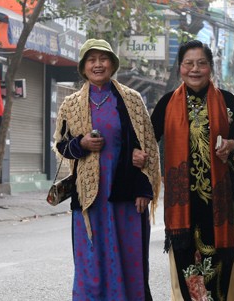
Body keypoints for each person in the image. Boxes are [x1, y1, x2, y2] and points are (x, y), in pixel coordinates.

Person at [53, 38, 161, 301]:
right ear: (83, 67)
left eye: (103, 59)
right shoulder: (70, 105)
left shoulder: (132, 101)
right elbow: (62, 146)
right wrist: (82, 143)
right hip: (90, 199)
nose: (98, 64)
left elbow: (148, 147)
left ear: (113, 64)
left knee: (129, 258)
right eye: (91, 60)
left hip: (126, 197)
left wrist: (145, 189)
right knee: (91, 262)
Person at [149, 40, 234, 301]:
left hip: (221, 202)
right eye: (189, 63)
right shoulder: (166, 104)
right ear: (180, 68)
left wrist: (231, 144)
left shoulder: (227, 101)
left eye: (201, 63)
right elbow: (147, 140)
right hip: (182, 204)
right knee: (187, 265)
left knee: (221, 267)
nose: (195, 69)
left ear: (210, 68)